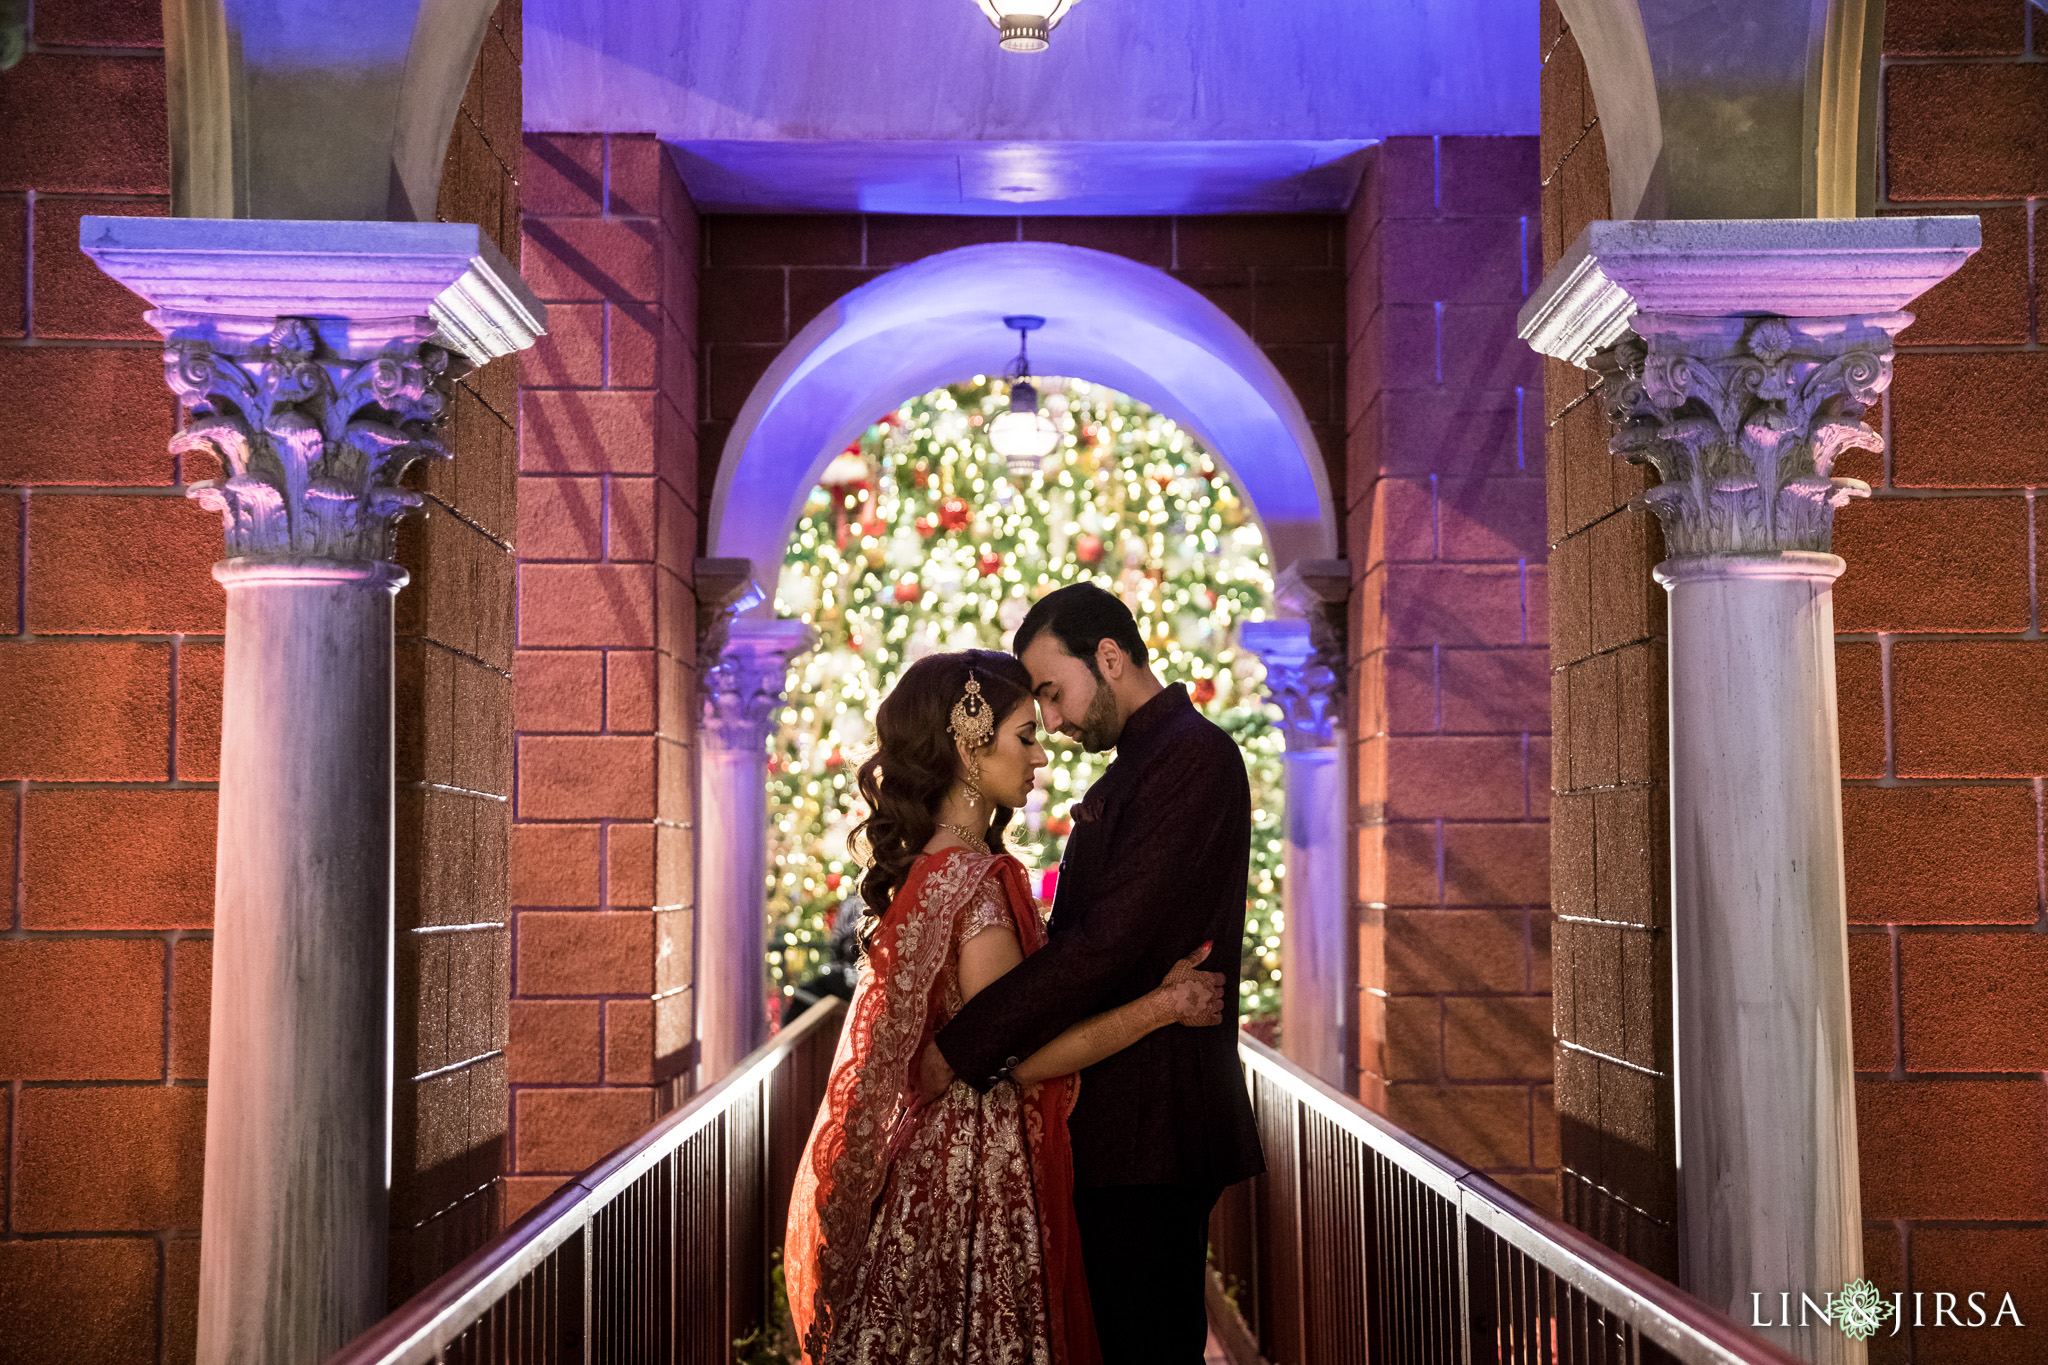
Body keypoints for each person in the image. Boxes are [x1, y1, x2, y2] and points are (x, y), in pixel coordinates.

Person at [784, 648, 1228, 1365]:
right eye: (1025, 735)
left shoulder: (934, 865)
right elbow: (1017, 1060)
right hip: (974, 1172)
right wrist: (1162, 1006)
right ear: (968, 747)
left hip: (933, 1158)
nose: (1040, 755)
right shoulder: (979, 884)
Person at [920, 583, 1265, 1362]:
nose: (1052, 721)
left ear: (1109, 657)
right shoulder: (1147, 764)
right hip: (1117, 1124)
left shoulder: (1192, 757)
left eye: (1052, 691)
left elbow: (1107, 941)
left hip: (1151, 1130)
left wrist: (965, 1042)